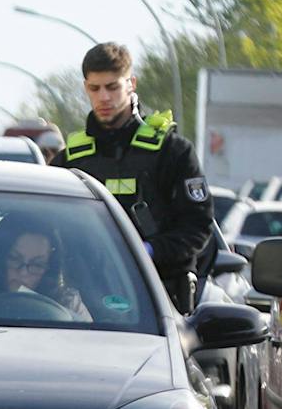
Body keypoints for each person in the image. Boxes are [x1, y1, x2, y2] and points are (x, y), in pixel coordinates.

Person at [49, 41, 213, 313]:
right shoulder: (71, 160)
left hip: (161, 299)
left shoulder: (172, 152)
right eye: (95, 88)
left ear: (131, 84)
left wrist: (146, 252)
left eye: (112, 87)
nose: (104, 97)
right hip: (85, 303)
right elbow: (45, 229)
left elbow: (197, 227)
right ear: (85, 88)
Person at [0, 213, 90, 322]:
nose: (23, 273)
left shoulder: (68, 303)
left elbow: (87, 346)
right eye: (14, 259)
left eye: (37, 265)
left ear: (49, 269)